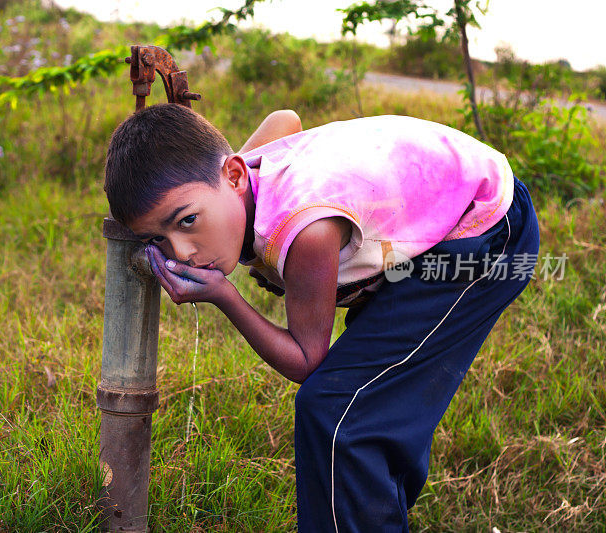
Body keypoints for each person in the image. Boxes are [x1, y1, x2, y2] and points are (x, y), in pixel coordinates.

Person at [103, 103, 540, 532]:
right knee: (373, 401)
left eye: (188, 221)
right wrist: (212, 208)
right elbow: (283, 119)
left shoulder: (307, 229)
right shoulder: (241, 172)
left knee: (337, 411)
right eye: (159, 239)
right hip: (443, 201)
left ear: (235, 176)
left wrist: (226, 296)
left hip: (484, 230)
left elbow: (308, 360)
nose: (181, 252)